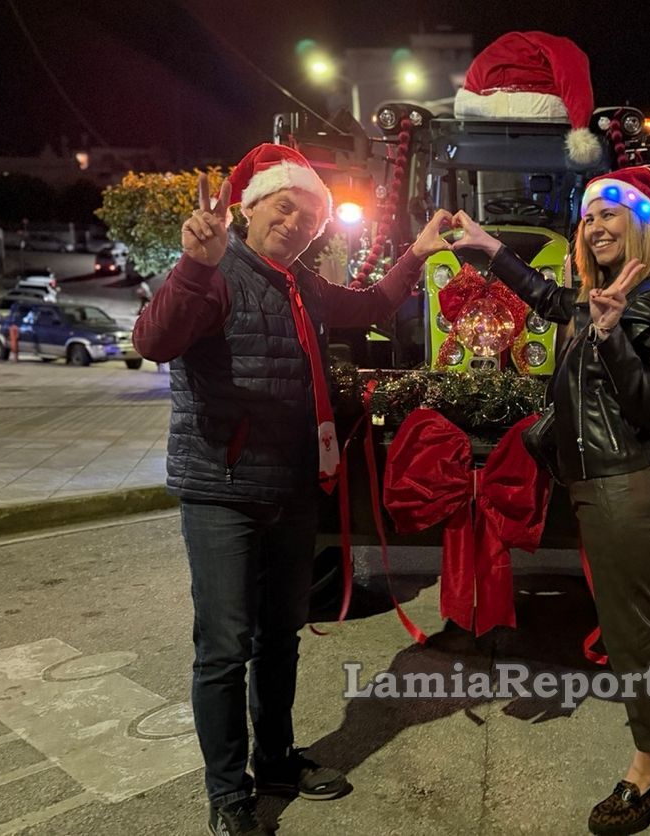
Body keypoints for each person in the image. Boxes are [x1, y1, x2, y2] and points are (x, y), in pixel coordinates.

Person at [133, 143, 453, 836]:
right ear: (249, 209)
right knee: (225, 646)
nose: (296, 223)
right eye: (284, 207)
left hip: (291, 486)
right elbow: (153, 342)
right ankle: (228, 791)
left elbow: (373, 304)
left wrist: (419, 252)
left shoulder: (301, 283)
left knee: (280, 636)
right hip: (223, 490)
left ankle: (276, 760)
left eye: (310, 217)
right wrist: (194, 265)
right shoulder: (215, 273)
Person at [451, 166, 650, 835]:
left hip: (624, 487)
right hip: (628, 485)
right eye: (589, 216)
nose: (595, 226)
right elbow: (550, 298)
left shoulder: (648, 300)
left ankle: (649, 771)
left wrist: (609, 337)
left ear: (642, 226)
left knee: (636, 639)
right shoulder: (609, 297)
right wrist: (490, 250)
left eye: (611, 214)